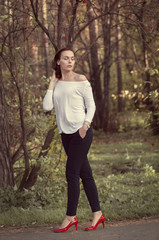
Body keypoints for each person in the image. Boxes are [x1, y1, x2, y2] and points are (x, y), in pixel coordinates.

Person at [43, 47, 105, 232]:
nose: (70, 61)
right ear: (58, 62)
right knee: (85, 175)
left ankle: (70, 217)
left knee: (71, 173)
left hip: (81, 132)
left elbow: (91, 105)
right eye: (65, 58)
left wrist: (85, 125)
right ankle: (97, 214)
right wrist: (52, 82)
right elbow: (47, 106)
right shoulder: (57, 82)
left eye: (72, 58)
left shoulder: (81, 80)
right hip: (66, 135)